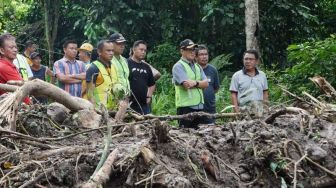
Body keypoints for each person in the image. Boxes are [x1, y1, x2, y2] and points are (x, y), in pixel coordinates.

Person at [172, 39, 209, 129]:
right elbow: (187, 85)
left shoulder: (197, 66)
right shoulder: (178, 66)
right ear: (182, 51)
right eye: (189, 50)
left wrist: (195, 83)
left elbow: (206, 84)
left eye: (193, 50)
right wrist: (199, 83)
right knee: (185, 135)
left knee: (199, 136)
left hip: (200, 106)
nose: (192, 52)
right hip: (186, 107)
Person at [229, 49, 268, 116]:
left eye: (251, 59)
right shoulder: (237, 76)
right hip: (243, 111)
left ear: (257, 61)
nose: (248, 61)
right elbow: (233, 95)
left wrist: (265, 109)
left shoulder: (262, 75)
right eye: (246, 59)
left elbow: (265, 93)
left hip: (259, 111)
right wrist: (236, 112)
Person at [86, 40, 116, 110]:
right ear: (99, 52)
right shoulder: (93, 68)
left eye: (112, 50)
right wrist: (94, 111)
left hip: (113, 109)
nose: (111, 53)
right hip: (99, 110)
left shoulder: (113, 66)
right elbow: (90, 94)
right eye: (108, 51)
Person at [0, 33, 30, 104]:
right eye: (11, 47)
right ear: (2, 50)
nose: (15, 50)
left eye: (16, 47)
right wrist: (29, 105)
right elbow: (22, 90)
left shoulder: (9, 65)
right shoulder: (4, 67)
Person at [127, 40, 155, 114]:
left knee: (146, 124)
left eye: (145, 50)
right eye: (141, 49)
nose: (143, 52)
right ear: (134, 49)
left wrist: (149, 96)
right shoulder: (126, 63)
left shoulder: (146, 67)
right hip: (129, 104)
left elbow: (152, 84)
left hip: (144, 105)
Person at [196, 45, 220, 124]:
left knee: (210, 133)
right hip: (194, 110)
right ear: (196, 57)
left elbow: (216, 88)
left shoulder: (213, 70)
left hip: (210, 109)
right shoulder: (193, 69)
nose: (204, 57)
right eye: (201, 54)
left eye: (206, 54)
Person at [109, 33, 130, 100]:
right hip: (112, 98)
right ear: (111, 44)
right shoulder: (107, 60)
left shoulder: (124, 60)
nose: (122, 46)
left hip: (125, 98)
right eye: (119, 43)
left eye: (123, 43)